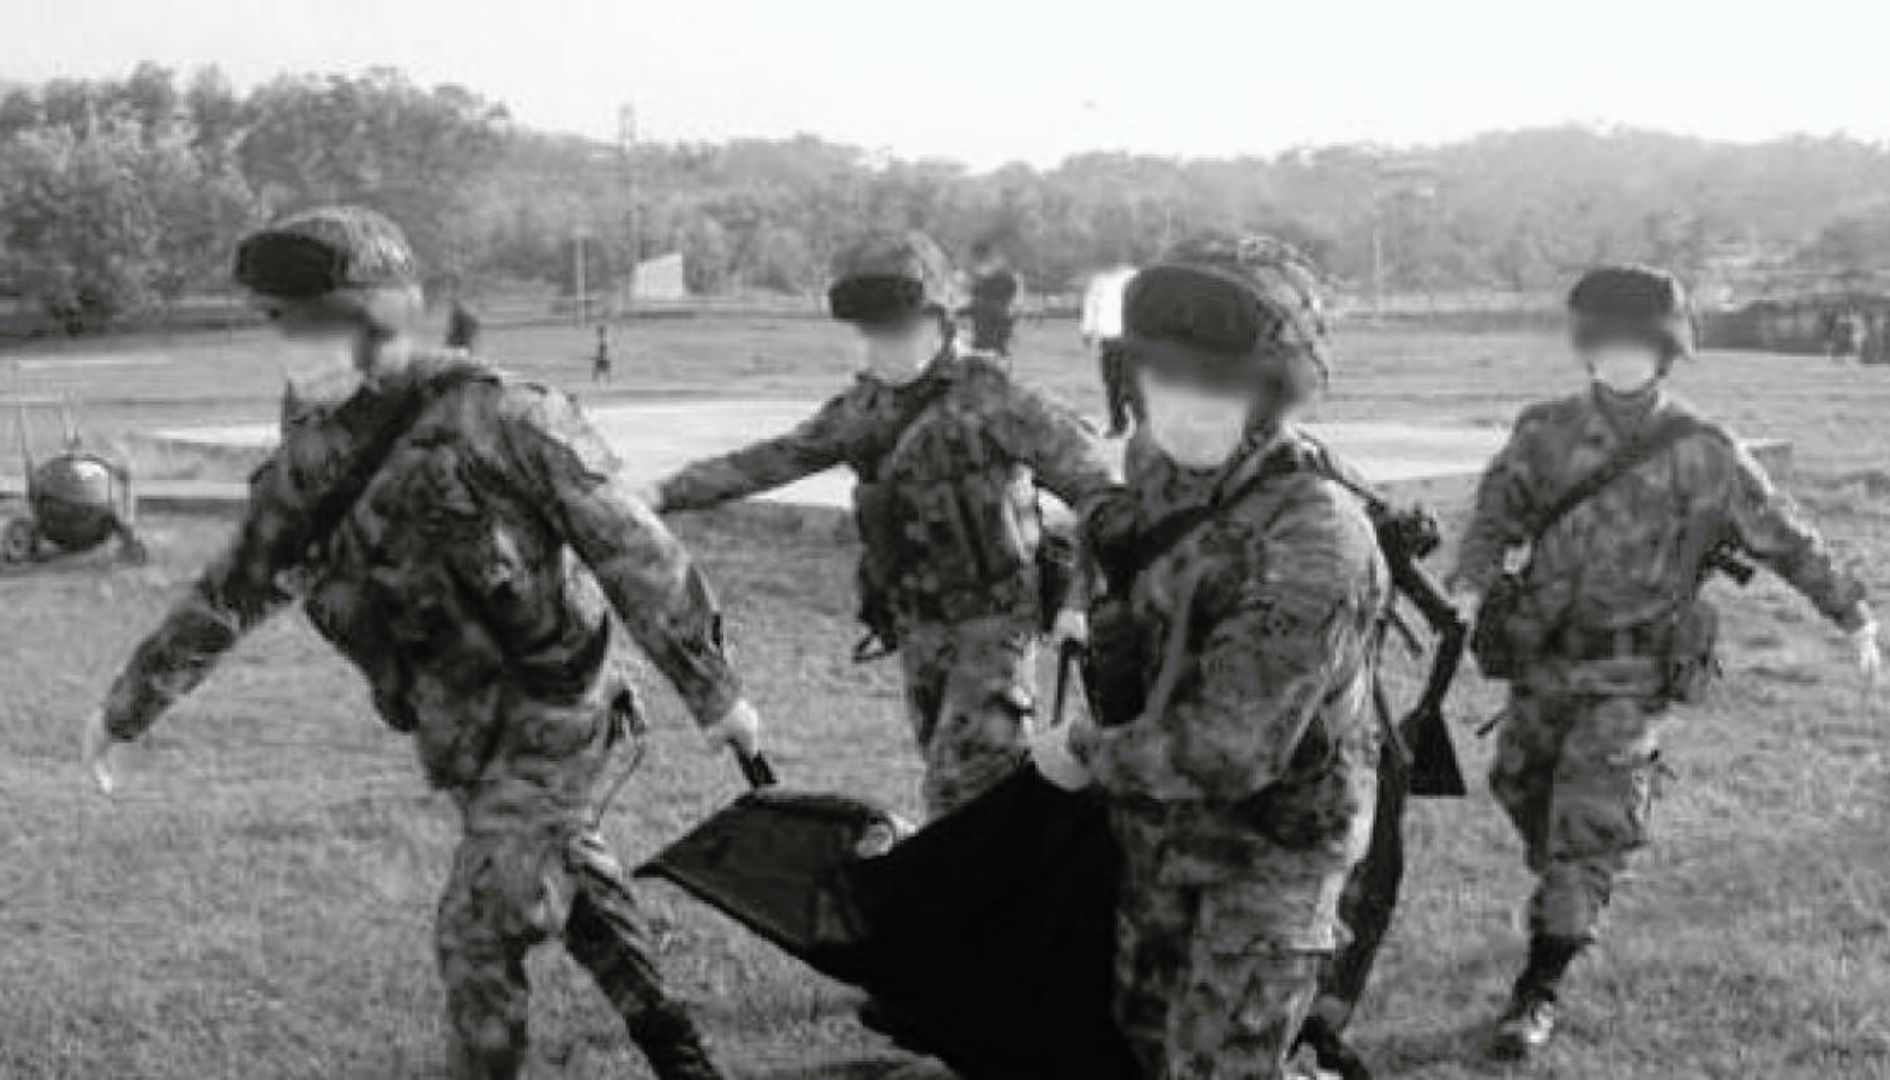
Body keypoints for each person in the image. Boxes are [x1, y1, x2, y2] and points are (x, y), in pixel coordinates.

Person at [77, 206, 763, 1080]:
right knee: (571, 886)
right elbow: (235, 588)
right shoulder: (310, 454)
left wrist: (715, 693)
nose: (295, 345)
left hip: (558, 712)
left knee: (477, 930)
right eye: (282, 323)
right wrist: (127, 709)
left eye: (317, 322)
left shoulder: (503, 416)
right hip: (461, 732)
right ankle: (682, 1056)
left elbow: (637, 552)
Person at [1448, 265, 1882, 1060]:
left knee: (1589, 826)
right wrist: (1470, 583)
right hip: (1543, 662)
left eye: (1638, 345)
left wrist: (1851, 611)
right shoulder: (1543, 432)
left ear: (1667, 350)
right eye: (1608, 344)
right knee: (1518, 784)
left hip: (1632, 671)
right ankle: (1571, 883)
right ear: (1587, 347)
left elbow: (1783, 536)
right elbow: (1492, 517)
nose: (1622, 359)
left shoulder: (1705, 450)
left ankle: (1538, 987)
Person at [1031, 233, 1391, 1079]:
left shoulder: (1317, 539)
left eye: (1219, 381)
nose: (1187, 400)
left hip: (1265, 859)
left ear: (1273, 391)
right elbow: (1124, 534)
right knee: (1134, 1048)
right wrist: (1085, 601)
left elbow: (1231, 751)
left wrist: (1084, 750)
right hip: (1155, 837)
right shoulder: (1162, 468)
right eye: (1164, 374)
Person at [646, 229, 1119, 820]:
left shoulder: (994, 397)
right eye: (872, 333)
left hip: (994, 625)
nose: (882, 346)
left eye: (897, 329)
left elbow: (1101, 493)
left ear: (940, 318)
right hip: (916, 626)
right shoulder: (865, 408)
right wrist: (661, 492)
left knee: (964, 788)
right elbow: (769, 460)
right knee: (966, 783)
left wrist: (1080, 598)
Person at [1081, 264, 1139, 436]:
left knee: (1131, 383)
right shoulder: (1099, 280)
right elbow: (1091, 304)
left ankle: (1142, 424)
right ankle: (1118, 424)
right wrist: (1087, 329)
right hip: (1107, 339)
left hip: (1130, 337)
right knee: (1111, 382)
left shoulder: (1133, 277)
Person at [961, 239, 1022, 357]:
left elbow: (977, 289)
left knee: (989, 346)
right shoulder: (1000, 271)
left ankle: (991, 351)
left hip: (991, 318)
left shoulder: (995, 272)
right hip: (996, 318)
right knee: (993, 346)